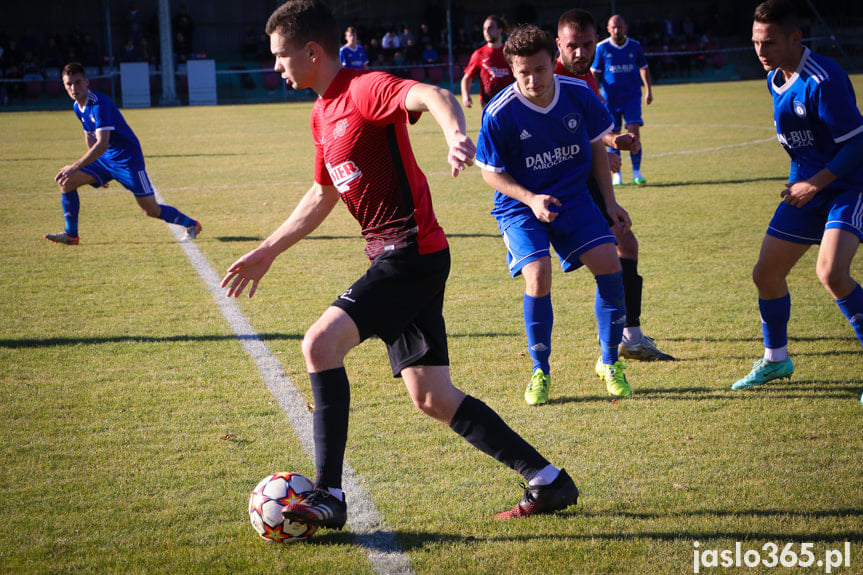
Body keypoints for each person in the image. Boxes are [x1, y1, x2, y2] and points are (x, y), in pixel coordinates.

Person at [221, 0, 579, 526]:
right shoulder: (321, 114)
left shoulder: (362, 89)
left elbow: (431, 94)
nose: (275, 66)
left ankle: (329, 495)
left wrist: (456, 134)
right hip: (403, 255)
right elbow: (321, 195)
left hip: (410, 252)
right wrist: (267, 250)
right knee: (432, 396)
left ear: (312, 52)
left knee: (319, 344)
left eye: (281, 55)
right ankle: (548, 480)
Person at [475, 24, 633, 405]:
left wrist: (608, 202)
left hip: (573, 198)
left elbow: (598, 149)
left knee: (610, 264)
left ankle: (610, 362)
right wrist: (530, 198)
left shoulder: (579, 93)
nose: (532, 79)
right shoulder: (499, 112)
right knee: (539, 274)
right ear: (512, 69)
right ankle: (540, 370)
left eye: (540, 70)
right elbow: (489, 172)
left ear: (553, 62)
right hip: (519, 206)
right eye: (523, 72)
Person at [731, 0, 863, 397]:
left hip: (848, 186)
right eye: (756, 42)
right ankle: (776, 359)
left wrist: (815, 184)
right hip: (809, 187)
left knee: (831, 274)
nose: (760, 51)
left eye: (769, 43)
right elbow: (800, 148)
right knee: (765, 274)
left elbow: (857, 146)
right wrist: (798, 185)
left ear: (795, 38)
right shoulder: (774, 79)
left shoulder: (824, 79)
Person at [556, 9, 674, 362]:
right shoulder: (552, 77)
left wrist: (610, 143)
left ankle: (628, 335)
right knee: (613, 252)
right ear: (558, 43)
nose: (581, 53)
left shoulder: (586, 78)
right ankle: (624, 338)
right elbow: (554, 135)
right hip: (562, 186)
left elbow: (588, 129)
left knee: (623, 245)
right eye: (573, 46)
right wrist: (597, 152)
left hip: (587, 180)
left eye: (587, 45)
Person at [45, 62, 201, 245]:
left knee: (150, 209)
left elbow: (102, 144)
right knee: (67, 182)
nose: (74, 88)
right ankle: (71, 235)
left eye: (78, 82)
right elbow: (90, 136)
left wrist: (76, 166)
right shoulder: (77, 107)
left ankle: (192, 225)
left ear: (87, 82)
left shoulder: (99, 104)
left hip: (128, 161)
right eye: (69, 84)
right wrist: (94, 173)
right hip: (106, 160)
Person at [592, 14, 653, 186]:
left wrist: (648, 90)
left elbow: (644, 68)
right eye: (613, 27)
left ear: (625, 27)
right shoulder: (601, 48)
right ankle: (616, 174)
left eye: (620, 27)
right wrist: (596, 93)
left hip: (632, 97)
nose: (617, 30)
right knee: (615, 136)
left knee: (634, 133)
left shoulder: (635, 46)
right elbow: (595, 73)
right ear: (608, 29)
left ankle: (636, 172)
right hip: (610, 99)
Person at [459, 15, 514, 108]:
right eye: (484, 29)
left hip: (509, 101)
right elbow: (466, 78)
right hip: (488, 103)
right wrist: (465, 96)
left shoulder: (510, 52)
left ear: (500, 30)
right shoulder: (479, 54)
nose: (486, 32)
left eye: (490, 28)